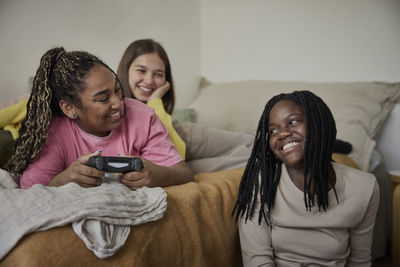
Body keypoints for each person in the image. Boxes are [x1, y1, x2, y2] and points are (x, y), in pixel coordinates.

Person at [5, 47, 193, 189]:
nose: (118, 103)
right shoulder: (55, 131)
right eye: (103, 98)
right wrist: (64, 180)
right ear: (69, 108)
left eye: (118, 90)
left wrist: (158, 175)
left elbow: (184, 173)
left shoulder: (142, 116)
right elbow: (29, 192)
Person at [232, 90, 379, 266]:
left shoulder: (364, 187)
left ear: (319, 123)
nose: (282, 134)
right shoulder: (261, 183)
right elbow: (257, 261)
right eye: (273, 130)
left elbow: (359, 261)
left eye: (292, 122)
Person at [117, 39, 186, 159]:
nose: (149, 81)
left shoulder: (160, 112)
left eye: (158, 74)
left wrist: (154, 102)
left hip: (176, 129)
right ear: (126, 70)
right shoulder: (114, 110)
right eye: (141, 71)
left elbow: (176, 159)